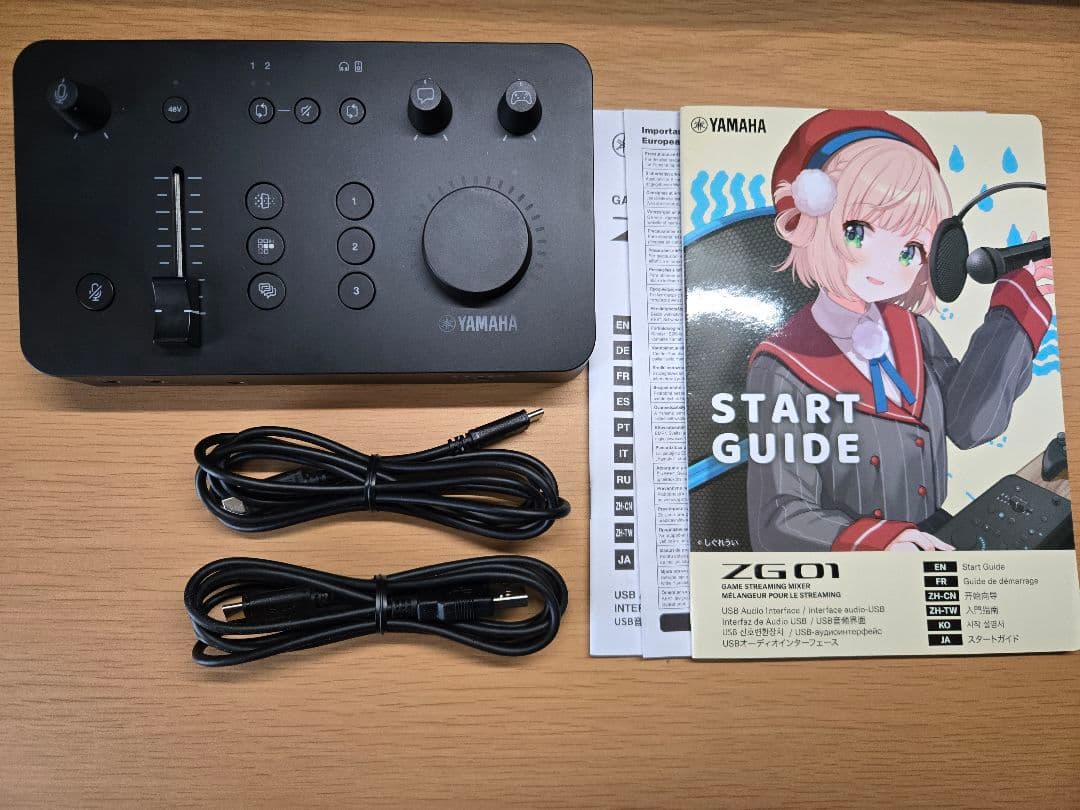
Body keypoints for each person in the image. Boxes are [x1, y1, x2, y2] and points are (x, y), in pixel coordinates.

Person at [746, 109, 1054, 551]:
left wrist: (1015, 310)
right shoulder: (782, 367)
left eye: (910, 249)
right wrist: (880, 542)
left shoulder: (912, 331)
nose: (886, 265)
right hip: (851, 557)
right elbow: (779, 517)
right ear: (812, 220)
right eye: (857, 232)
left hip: (934, 536)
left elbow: (970, 424)